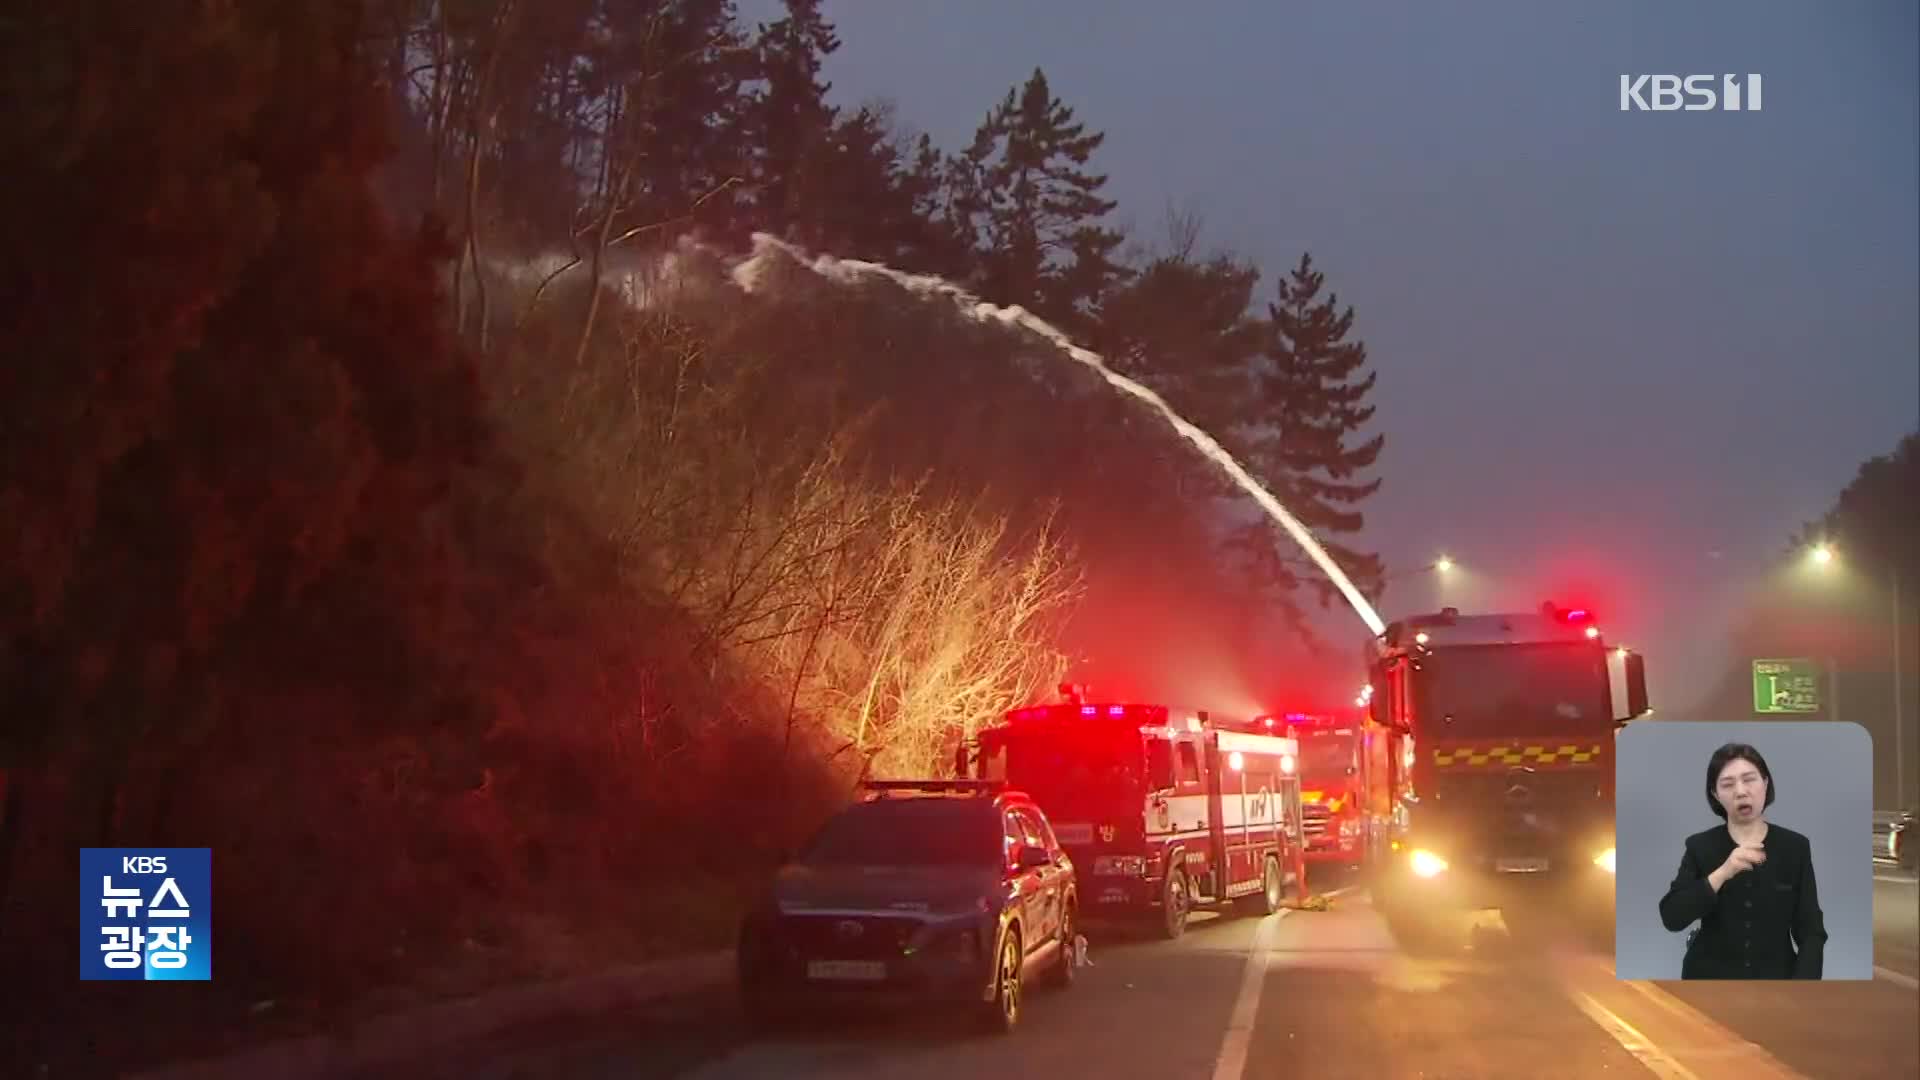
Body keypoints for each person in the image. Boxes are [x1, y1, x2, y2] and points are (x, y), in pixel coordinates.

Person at [1657, 742, 1827, 978]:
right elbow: (1672, 917)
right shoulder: (1699, 846)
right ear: (1715, 795)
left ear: (1765, 784)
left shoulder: (1795, 847)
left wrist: (1802, 989)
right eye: (1728, 784)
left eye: (1749, 779)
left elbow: (1811, 931)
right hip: (1708, 982)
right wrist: (1723, 873)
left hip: (1776, 982)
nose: (1741, 791)